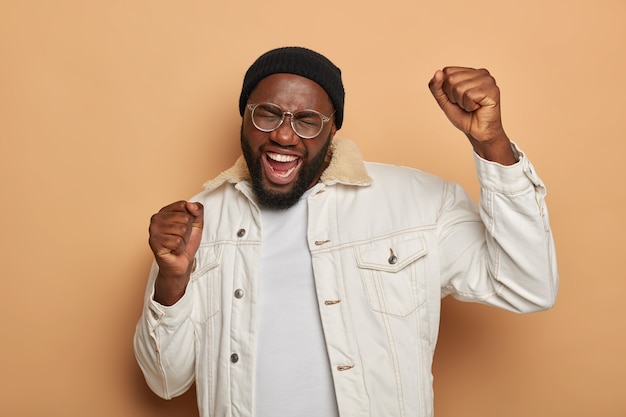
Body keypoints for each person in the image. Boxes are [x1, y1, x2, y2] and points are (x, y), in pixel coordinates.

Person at [134, 46, 558, 417]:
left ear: (333, 128)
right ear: (244, 118)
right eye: (266, 114)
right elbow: (165, 382)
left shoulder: (419, 202)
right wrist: (172, 279)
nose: (284, 134)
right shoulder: (199, 222)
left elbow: (528, 285)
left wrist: (493, 144)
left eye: (307, 120)